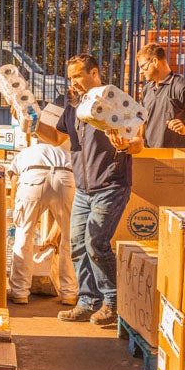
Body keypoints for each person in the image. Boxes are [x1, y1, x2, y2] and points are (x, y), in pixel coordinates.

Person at [38, 53, 141, 327]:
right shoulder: (74, 105)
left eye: (78, 76)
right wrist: (32, 121)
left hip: (111, 183)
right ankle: (87, 302)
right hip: (83, 188)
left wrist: (124, 146)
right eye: (70, 78)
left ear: (94, 73)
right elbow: (56, 137)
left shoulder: (114, 100)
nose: (73, 83)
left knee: (96, 242)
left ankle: (112, 300)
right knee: (77, 245)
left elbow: (139, 143)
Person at [6, 135, 76, 306]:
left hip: (33, 179)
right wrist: (54, 235)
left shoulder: (26, 151)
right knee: (70, 239)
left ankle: (20, 292)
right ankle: (69, 293)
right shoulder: (66, 151)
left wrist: (16, 210)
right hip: (65, 179)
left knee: (23, 236)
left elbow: (14, 180)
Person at [136, 42, 185, 149]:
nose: (140, 72)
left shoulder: (182, 87)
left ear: (155, 61)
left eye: (143, 66)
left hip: (176, 159)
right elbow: (143, 122)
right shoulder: (147, 89)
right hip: (150, 156)